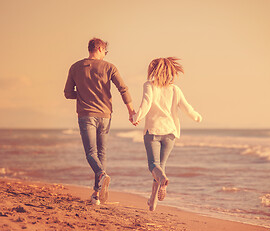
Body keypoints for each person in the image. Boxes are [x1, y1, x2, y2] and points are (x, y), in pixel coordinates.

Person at [64, 38, 135, 205]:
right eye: (105, 51)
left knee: (91, 153)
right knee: (101, 153)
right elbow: (123, 89)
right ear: (101, 49)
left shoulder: (75, 67)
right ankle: (96, 193)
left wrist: (82, 95)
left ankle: (100, 180)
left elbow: (68, 93)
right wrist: (131, 110)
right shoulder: (109, 67)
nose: (105, 55)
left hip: (86, 115)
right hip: (105, 115)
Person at [132, 57, 202, 211]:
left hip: (153, 131)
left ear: (154, 71)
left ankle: (161, 181)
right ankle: (153, 201)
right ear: (170, 72)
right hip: (170, 133)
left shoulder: (149, 85)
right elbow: (186, 107)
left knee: (154, 165)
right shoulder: (175, 89)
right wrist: (197, 117)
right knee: (161, 166)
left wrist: (136, 117)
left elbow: (146, 103)